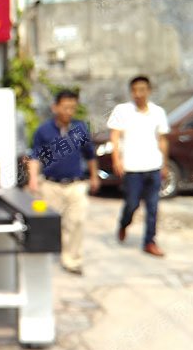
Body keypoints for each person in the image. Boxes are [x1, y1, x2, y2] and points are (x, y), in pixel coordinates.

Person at [28, 90, 100, 275]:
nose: (69, 111)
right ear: (55, 107)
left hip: (76, 184)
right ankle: (52, 254)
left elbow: (90, 155)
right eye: (66, 107)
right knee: (52, 223)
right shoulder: (43, 131)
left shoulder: (80, 129)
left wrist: (94, 176)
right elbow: (35, 157)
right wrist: (33, 179)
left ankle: (72, 260)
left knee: (76, 222)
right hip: (50, 185)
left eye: (73, 108)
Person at [107, 76, 169, 257]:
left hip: (153, 166)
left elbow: (162, 139)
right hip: (132, 167)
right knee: (132, 204)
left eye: (142, 90)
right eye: (134, 90)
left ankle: (150, 241)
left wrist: (164, 164)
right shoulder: (122, 110)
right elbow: (115, 136)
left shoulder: (158, 112)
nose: (138, 94)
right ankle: (124, 223)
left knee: (153, 207)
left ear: (149, 91)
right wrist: (116, 159)